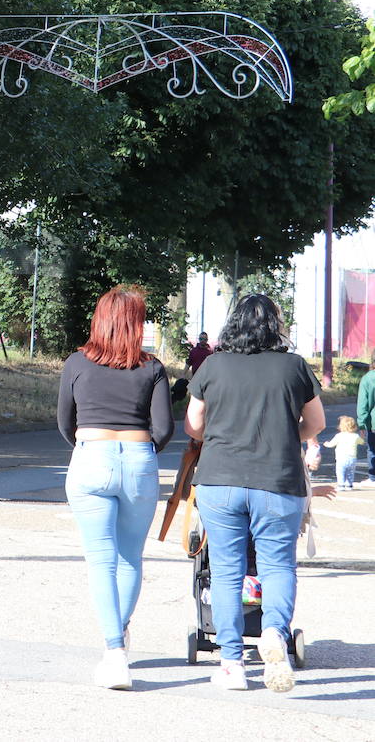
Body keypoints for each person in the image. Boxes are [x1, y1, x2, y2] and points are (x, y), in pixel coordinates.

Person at [185, 294, 325, 693]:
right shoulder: (294, 366)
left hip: (220, 480)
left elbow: (194, 425)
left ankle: (231, 664)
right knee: (278, 566)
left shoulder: (212, 365)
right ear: (275, 326)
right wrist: (282, 436)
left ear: (234, 324)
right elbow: (314, 422)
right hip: (278, 481)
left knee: (227, 572)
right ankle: (275, 635)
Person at [57, 286, 173, 691]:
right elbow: (164, 429)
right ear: (136, 324)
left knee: (100, 560)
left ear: (99, 320)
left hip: (91, 455)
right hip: (140, 458)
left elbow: (63, 422)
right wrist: (139, 450)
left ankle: (113, 652)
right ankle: (119, 640)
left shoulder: (76, 363)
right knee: (130, 558)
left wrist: (91, 447)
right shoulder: (153, 368)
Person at [324, 415, 365, 491]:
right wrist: (362, 436)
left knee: (340, 471)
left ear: (341, 426)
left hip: (341, 458)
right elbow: (362, 442)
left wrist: (326, 444)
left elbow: (331, 444)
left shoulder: (339, 436)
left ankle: (341, 485)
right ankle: (349, 485)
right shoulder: (355, 436)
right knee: (350, 472)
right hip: (352, 458)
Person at [355, 357, 375, 483]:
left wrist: (361, 424)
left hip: (373, 423)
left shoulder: (368, 378)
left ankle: (373, 477)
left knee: (372, 450)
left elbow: (363, 404)